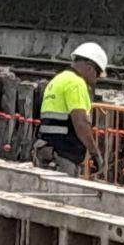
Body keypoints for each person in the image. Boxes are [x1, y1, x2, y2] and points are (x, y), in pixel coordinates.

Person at [34, 42, 108, 176]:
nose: (95, 80)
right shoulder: (76, 83)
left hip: (46, 150)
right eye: (97, 74)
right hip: (64, 155)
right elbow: (80, 122)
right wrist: (95, 153)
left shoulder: (57, 80)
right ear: (90, 67)